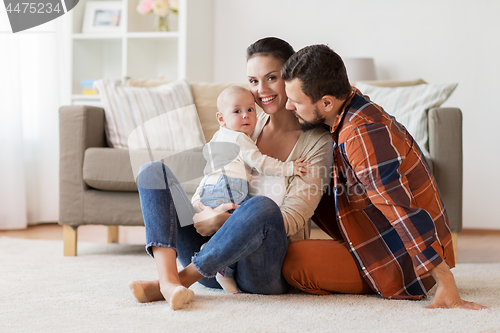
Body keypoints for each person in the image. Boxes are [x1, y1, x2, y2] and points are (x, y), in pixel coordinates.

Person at [128, 37, 333, 310]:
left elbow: (291, 219)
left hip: (261, 271)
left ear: (291, 78)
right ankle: (167, 283)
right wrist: (203, 208)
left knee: (262, 206)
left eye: (271, 78)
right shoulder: (245, 121)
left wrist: (223, 222)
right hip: (215, 266)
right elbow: (214, 173)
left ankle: (183, 278)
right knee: (152, 172)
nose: (261, 91)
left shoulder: (317, 141)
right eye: (253, 81)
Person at [280, 44, 486, 310]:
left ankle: (399, 277)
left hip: (402, 261)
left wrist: (445, 280)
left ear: (327, 102)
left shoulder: (360, 134)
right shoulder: (349, 108)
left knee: (293, 261)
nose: (287, 106)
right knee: (311, 181)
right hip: (374, 232)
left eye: (295, 102)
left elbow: (400, 209)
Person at [194, 85, 309, 293]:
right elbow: (261, 163)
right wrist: (290, 167)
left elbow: (207, 173)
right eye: (237, 111)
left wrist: (197, 202)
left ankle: (211, 251)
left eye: (250, 110)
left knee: (227, 228)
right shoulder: (240, 139)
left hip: (209, 190)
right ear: (221, 118)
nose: (245, 116)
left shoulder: (214, 140)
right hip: (230, 189)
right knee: (248, 220)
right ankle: (223, 269)